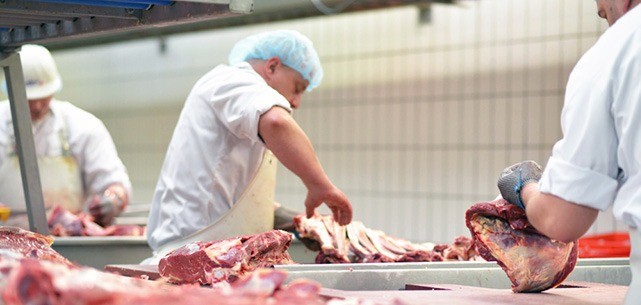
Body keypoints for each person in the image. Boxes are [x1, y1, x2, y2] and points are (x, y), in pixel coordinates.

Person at [145, 30, 353, 262]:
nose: (296, 102)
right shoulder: (232, 80)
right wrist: (321, 186)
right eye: (297, 88)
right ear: (272, 67)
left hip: (214, 255)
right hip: (191, 256)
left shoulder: (243, 103)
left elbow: (234, 194)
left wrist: (302, 222)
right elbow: (277, 122)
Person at [497, 1, 641, 304]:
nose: (609, 22)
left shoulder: (617, 49)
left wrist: (525, 186)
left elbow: (561, 219)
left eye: (604, 14)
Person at [0, 44, 132, 228]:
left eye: (43, 96)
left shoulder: (83, 126)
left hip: (68, 236)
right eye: (29, 99)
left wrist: (113, 200)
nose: (37, 106)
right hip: (8, 243)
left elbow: (115, 183)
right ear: (12, 90)